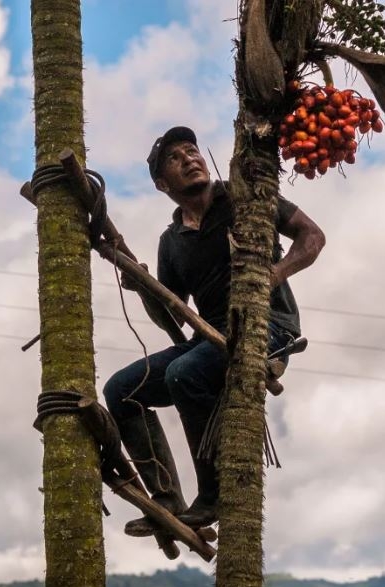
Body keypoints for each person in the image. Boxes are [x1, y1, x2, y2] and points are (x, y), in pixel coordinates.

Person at [102, 126, 325, 536]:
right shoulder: (171, 241)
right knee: (120, 390)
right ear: (161, 183)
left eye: (191, 150)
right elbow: (173, 317)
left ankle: (212, 496)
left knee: (183, 373)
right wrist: (143, 289)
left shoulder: (244, 199)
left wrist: (273, 275)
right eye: (175, 158)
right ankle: (166, 497)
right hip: (210, 337)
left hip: (269, 329)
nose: (189, 158)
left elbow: (313, 236)